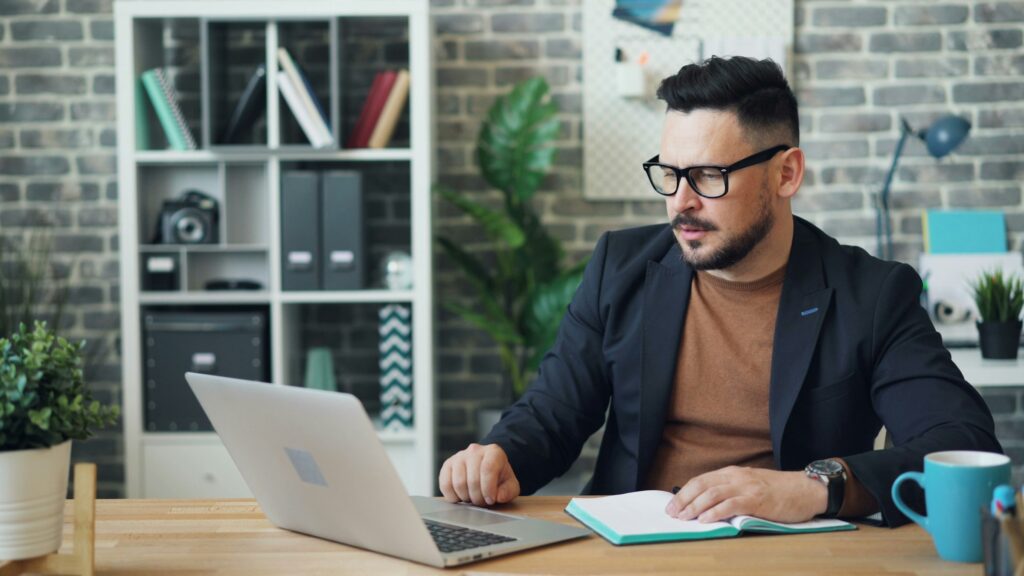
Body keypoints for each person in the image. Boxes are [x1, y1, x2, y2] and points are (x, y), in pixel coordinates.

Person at [438, 56, 1001, 527]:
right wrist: (498, 457)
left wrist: (812, 487)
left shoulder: (871, 294)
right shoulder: (621, 266)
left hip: (785, 556)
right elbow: (553, 412)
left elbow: (961, 444)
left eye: (708, 175)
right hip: (625, 552)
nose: (681, 201)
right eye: (669, 173)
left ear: (786, 174)